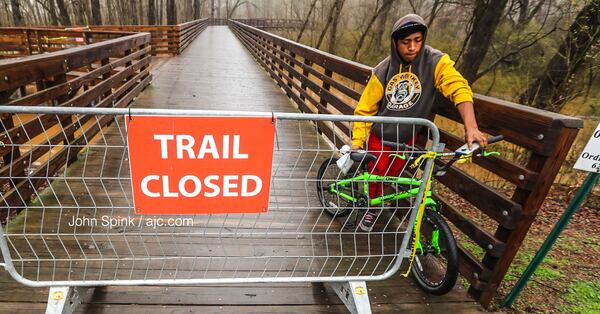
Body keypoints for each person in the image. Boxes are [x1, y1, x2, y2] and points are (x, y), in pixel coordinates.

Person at [351, 14, 487, 232]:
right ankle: (372, 207)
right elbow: (365, 108)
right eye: (406, 42)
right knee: (376, 173)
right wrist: (357, 142)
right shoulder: (383, 70)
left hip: (406, 137)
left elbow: (458, 87)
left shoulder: (435, 61)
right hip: (380, 134)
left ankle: (380, 201)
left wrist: (471, 127)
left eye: (417, 40)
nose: (412, 47)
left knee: (393, 174)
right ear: (395, 43)